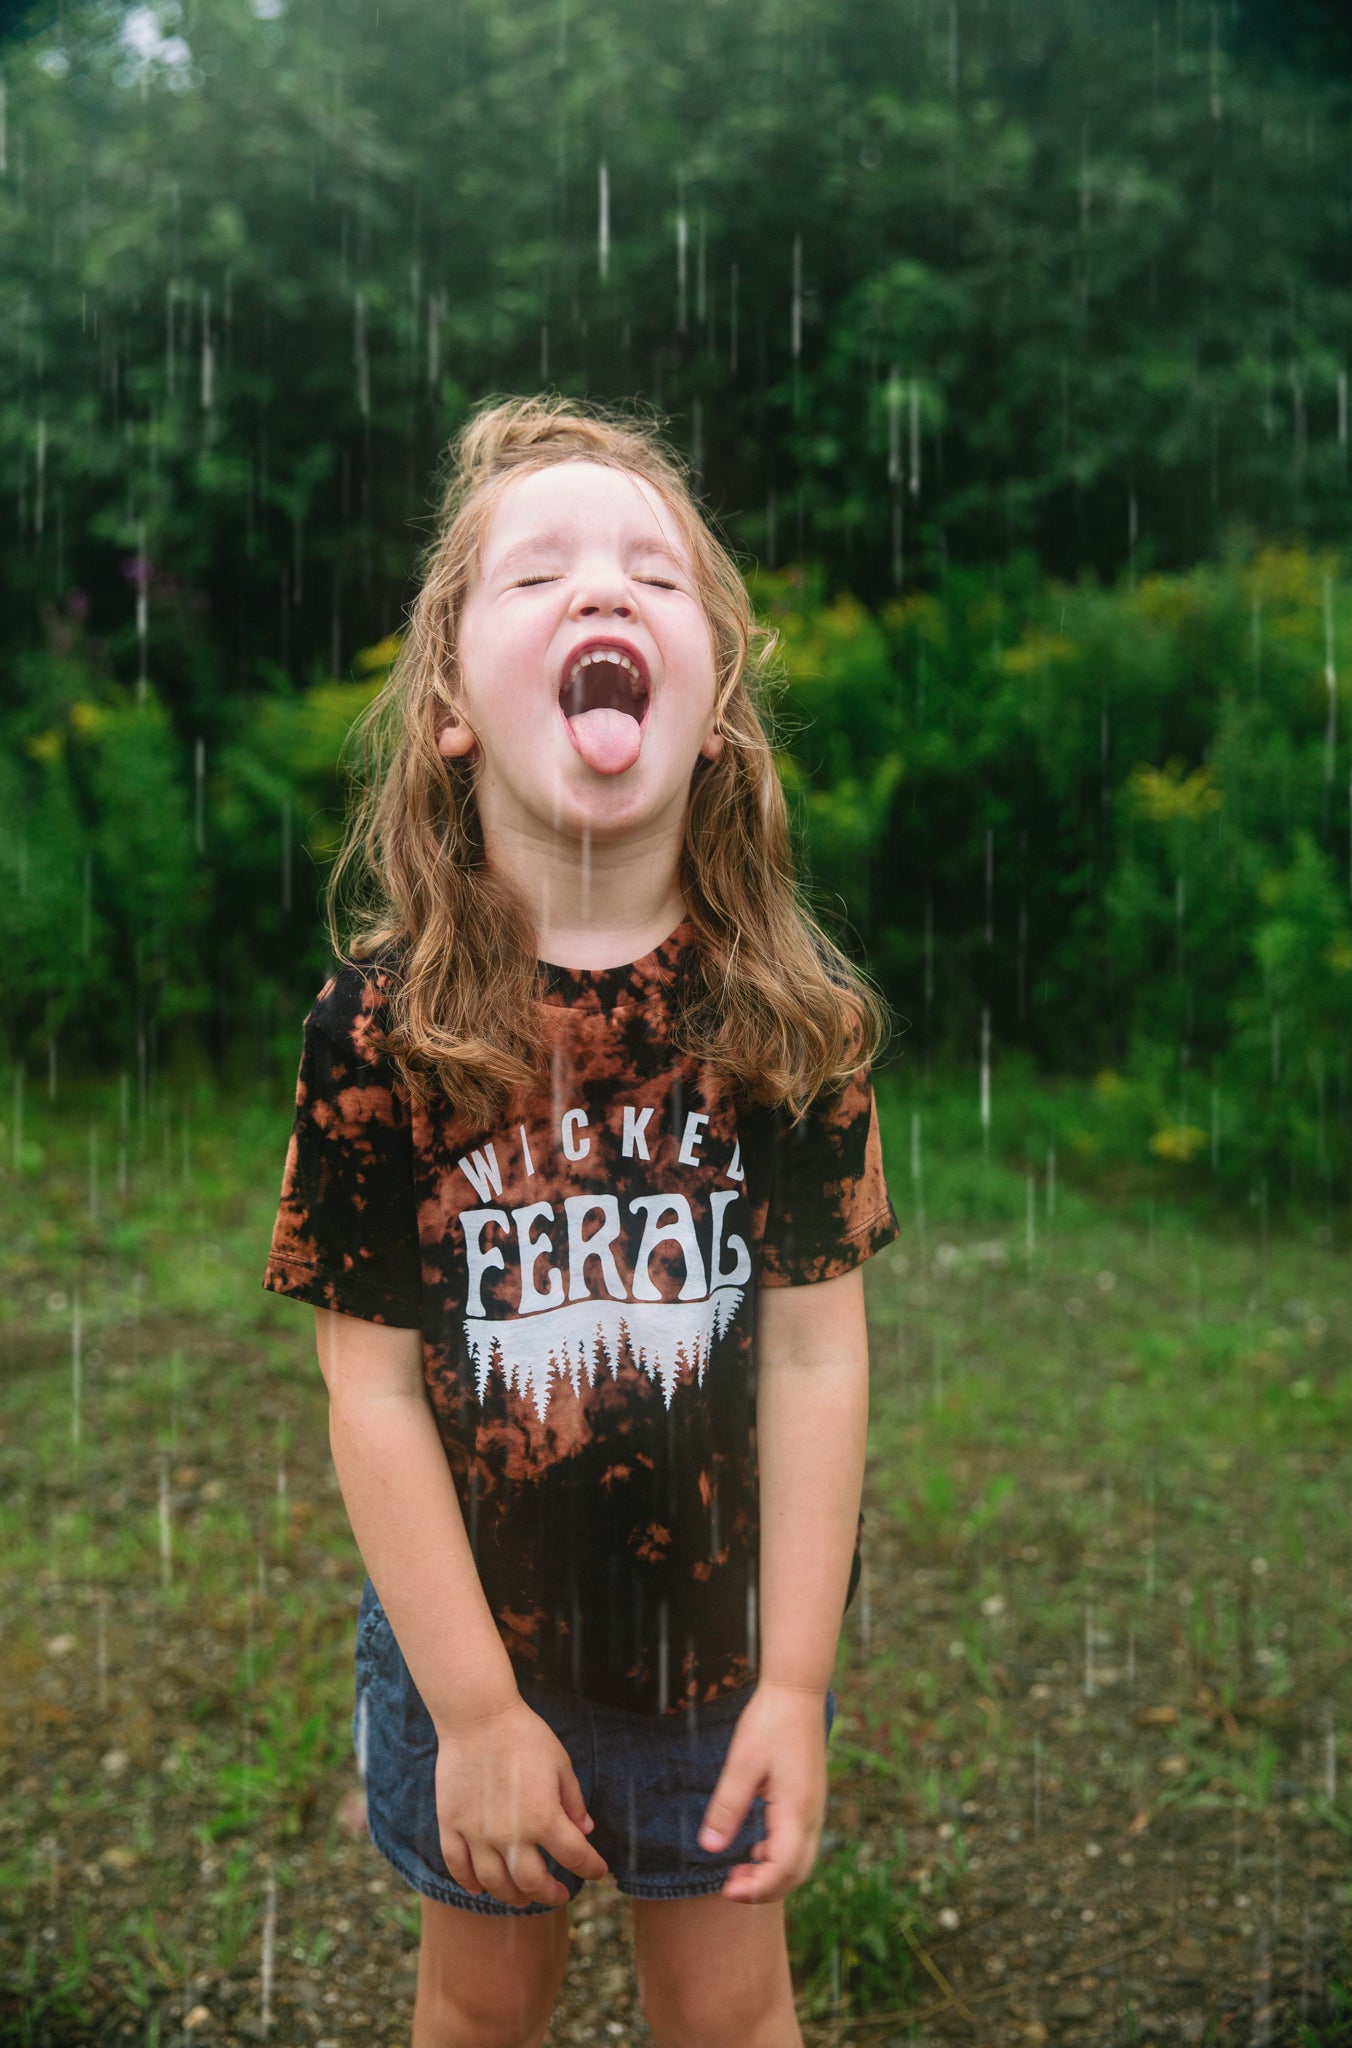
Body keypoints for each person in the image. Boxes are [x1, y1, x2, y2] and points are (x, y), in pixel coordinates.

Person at [262, 393, 899, 2048]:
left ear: (720, 704)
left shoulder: (791, 1024)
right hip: (469, 1649)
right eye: (534, 578)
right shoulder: (378, 1036)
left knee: (731, 2015)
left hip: (719, 1647)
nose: (602, 593)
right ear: (453, 707)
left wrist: (793, 1686)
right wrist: (474, 1713)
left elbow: (817, 1367)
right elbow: (370, 1390)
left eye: (652, 575)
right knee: (480, 2013)